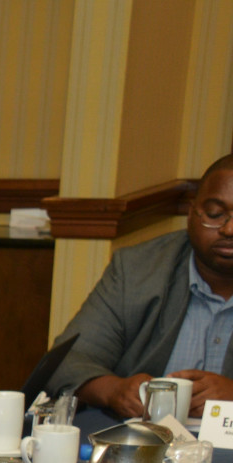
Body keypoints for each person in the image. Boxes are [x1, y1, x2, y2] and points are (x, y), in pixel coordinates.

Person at [46, 154, 233, 417]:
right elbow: (65, 362)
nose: (229, 229)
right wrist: (115, 390)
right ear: (191, 214)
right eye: (215, 214)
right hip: (141, 437)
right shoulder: (138, 270)